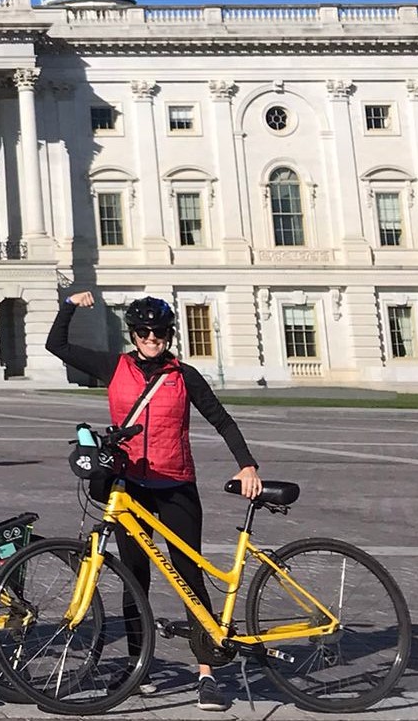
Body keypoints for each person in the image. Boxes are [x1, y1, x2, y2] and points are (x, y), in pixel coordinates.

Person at [49, 292, 261, 713]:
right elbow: (57, 345)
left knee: (189, 575)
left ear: (168, 335)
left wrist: (247, 465)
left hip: (176, 483)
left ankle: (206, 672)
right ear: (133, 334)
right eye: (144, 332)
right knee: (134, 577)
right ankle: (136, 665)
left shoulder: (185, 376)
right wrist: (70, 305)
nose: (151, 338)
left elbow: (221, 418)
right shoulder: (115, 366)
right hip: (130, 486)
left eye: (159, 332)